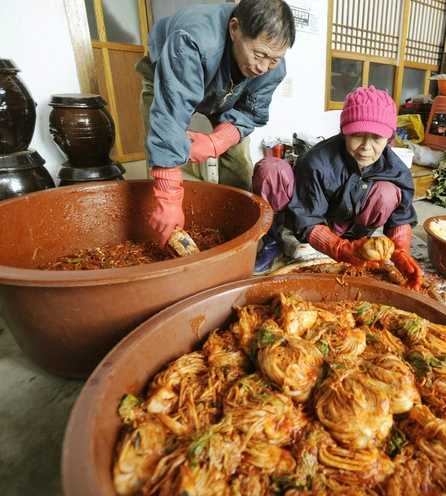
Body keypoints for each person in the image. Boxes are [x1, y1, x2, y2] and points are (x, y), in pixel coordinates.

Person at [136, 0, 296, 248]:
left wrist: (216, 141)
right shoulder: (193, 39)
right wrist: (169, 195)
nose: (263, 67)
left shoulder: (271, 68)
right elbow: (170, 115)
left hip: (229, 92)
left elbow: (250, 113)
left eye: (273, 59)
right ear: (235, 29)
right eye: (259, 54)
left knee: (240, 161)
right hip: (169, 72)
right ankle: (157, 229)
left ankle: (239, 232)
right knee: (159, 151)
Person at [252, 85, 423, 291]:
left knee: (387, 192)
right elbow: (307, 218)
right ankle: (273, 243)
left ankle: (358, 245)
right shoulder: (317, 161)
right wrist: (338, 248)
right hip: (303, 219)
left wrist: (400, 252)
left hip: (350, 228)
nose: (366, 147)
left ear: (389, 139)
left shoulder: (397, 170)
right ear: (344, 133)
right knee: (271, 169)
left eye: (377, 138)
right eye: (358, 135)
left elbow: (401, 216)